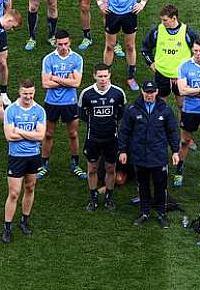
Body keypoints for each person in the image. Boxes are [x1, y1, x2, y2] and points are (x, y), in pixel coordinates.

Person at [91, 0, 155, 91]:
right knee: (110, 46)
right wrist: (100, 3)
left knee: (130, 46)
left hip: (129, 14)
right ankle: (106, 76)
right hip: (112, 13)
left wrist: (142, 3)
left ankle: (131, 77)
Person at [118, 79, 179, 228]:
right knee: (143, 186)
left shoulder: (165, 109)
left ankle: (161, 213)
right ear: (142, 92)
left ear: (157, 92)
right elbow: (124, 131)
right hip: (139, 155)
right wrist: (123, 150)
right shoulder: (132, 109)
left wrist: (175, 151)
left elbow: (172, 132)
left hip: (158, 156)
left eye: (152, 92)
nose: (149, 95)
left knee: (160, 186)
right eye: (147, 92)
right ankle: (144, 212)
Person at [2, 79, 46, 243]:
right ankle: (7, 227)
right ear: (19, 92)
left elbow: (40, 136)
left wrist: (19, 131)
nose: (28, 97)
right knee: (14, 193)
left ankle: (24, 221)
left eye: (31, 94)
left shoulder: (39, 111)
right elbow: (9, 136)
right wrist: (31, 135)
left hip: (33, 156)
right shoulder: (11, 110)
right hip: (16, 157)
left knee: (30, 187)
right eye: (25, 93)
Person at [78, 63, 126, 211]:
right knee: (92, 168)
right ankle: (93, 198)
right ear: (94, 76)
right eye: (100, 76)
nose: (103, 79)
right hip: (93, 139)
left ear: (109, 75)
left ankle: (108, 198)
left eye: (105, 76)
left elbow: (121, 113)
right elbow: (82, 114)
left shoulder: (118, 93)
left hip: (111, 139)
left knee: (110, 168)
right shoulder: (86, 94)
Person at [39, 30, 85, 180]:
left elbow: (76, 83)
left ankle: (75, 164)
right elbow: (45, 84)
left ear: (70, 42)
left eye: (66, 44)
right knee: (48, 134)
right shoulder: (48, 59)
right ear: (55, 44)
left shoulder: (77, 58)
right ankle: (43, 164)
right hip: (51, 102)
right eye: (60, 44)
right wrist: (67, 80)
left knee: (73, 134)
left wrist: (55, 77)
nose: (63, 47)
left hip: (70, 103)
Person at [174, 38, 200, 187]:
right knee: (185, 141)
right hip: (190, 110)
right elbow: (182, 90)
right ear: (193, 50)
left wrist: (195, 91)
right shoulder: (184, 67)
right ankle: (179, 170)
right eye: (196, 51)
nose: (198, 54)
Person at [141, 4, 199, 109]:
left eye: (165, 20)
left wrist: (191, 68)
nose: (162, 23)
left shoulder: (187, 32)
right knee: (160, 105)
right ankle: (162, 125)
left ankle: (182, 125)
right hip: (162, 74)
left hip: (180, 76)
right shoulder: (157, 31)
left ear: (174, 18)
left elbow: (199, 51)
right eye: (162, 20)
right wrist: (151, 63)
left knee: (182, 106)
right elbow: (145, 49)